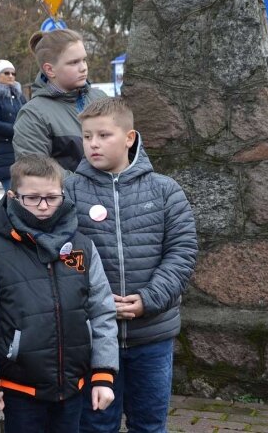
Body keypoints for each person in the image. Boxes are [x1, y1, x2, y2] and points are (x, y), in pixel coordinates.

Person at [0, 154, 119, 433]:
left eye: (52, 197)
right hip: (20, 388)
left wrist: (103, 373)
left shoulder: (81, 246)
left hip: (72, 385)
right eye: (32, 198)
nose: (43, 206)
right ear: (12, 196)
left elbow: (101, 310)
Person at [64, 97, 198, 432]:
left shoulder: (165, 191)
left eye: (104, 135)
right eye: (87, 136)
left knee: (149, 425)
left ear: (129, 137)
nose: (93, 144)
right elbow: (62, 251)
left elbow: (181, 252)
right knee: (96, 426)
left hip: (151, 336)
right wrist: (96, 301)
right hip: (93, 339)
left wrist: (148, 299)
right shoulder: (69, 193)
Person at [13, 29, 106, 175]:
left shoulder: (101, 99)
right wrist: (90, 188)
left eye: (84, 59)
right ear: (50, 70)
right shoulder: (33, 115)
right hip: (67, 197)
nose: (83, 67)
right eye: (74, 62)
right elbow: (36, 172)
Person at [0, 59, 27, 191]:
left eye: (13, 73)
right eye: (6, 73)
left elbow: (27, 116)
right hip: (3, 153)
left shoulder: (19, 96)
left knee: (25, 197)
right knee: (12, 197)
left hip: (22, 152)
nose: (11, 76)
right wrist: (18, 130)